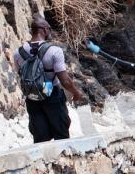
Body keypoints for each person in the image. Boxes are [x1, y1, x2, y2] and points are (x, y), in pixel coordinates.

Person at [14, 14, 85, 144]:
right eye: (49, 29)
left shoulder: (18, 53)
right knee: (61, 134)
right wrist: (76, 92)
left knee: (40, 137)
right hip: (51, 93)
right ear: (44, 30)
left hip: (32, 97)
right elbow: (65, 81)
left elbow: (22, 75)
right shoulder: (54, 51)